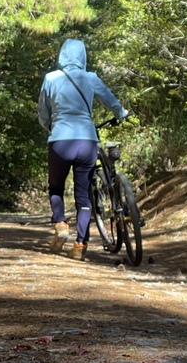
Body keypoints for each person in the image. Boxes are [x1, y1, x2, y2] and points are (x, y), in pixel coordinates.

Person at [37, 39, 128, 259]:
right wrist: (121, 114)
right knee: (84, 196)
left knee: (56, 187)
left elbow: (43, 111)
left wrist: (49, 126)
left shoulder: (50, 78)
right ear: (83, 56)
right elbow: (111, 101)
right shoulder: (90, 78)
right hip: (86, 141)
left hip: (59, 141)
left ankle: (60, 224)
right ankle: (80, 246)